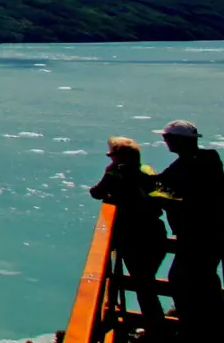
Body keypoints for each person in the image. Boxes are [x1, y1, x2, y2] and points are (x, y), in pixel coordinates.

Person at [151, 119, 224, 336]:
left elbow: (159, 189)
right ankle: (213, 329)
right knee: (205, 282)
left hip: (196, 236)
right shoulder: (207, 160)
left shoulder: (187, 166)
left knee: (183, 280)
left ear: (180, 141)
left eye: (168, 138)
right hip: (211, 234)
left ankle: (193, 329)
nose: (165, 141)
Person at [89, 136, 167, 327]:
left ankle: (155, 329)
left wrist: (109, 175)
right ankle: (156, 326)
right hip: (156, 231)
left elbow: (96, 192)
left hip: (133, 235)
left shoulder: (116, 173)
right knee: (147, 283)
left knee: (143, 285)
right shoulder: (147, 171)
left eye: (112, 156)